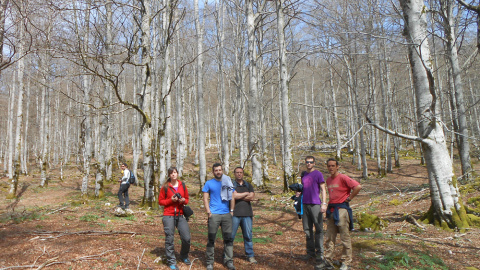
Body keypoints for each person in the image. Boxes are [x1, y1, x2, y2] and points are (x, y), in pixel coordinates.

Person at [320, 158, 362, 270]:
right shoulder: (328, 180)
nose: (331, 168)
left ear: (337, 166)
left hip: (342, 209)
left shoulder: (343, 177)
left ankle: (346, 262)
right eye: (329, 166)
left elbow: (357, 186)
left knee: (345, 237)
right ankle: (328, 260)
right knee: (329, 237)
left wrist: (349, 199)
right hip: (332, 210)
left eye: (333, 165)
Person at [202, 163, 236, 270]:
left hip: (226, 214)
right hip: (214, 214)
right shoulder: (209, 183)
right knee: (211, 238)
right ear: (213, 172)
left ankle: (229, 261)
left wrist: (231, 211)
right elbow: (205, 198)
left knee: (228, 239)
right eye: (216, 170)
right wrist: (208, 212)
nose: (218, 172)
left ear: (222, 171)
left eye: (220, 170)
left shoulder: (227, 182)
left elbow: (232, 197)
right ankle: (209, 262)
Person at [158, 167, 191, 270]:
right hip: (168, 215)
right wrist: (171, 200)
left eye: (175, 173)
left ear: (177, 174)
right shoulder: (165, 187)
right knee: (169, 238)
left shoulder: (183, 185)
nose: (173, 175)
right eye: (171, 173)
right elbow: (160, 201)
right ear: (169, 175)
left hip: (180, 215)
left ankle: (184, 255)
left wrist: (183, 200)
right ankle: (171, 261)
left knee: (186, 238)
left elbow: (187, 199)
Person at [301, 156, 328, 264]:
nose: (309, 164)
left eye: (311, 162)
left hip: (316, 204)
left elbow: (323, 189)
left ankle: (320, 253)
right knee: (307, 230)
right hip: (305, 204)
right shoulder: (303, 174)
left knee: (318, 229)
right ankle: (310, 252)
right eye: (307, 162)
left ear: (314, 163)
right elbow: (304, 188)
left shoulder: (318, 174)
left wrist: (324, 204)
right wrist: (299, 192)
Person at [231, 167, 257, 264]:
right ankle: (227, 255)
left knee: (248, 236)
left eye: (240, 172)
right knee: (230, 236)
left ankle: (250, 255)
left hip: (247, 214)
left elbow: (251, 197)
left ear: (243, 174)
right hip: (234, 214)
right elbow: (233, 196)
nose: (239, 174)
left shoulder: (248, 185)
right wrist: (246, 194)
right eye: (237, 172)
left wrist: (239, 196)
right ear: (234, 174)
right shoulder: (231, 185)